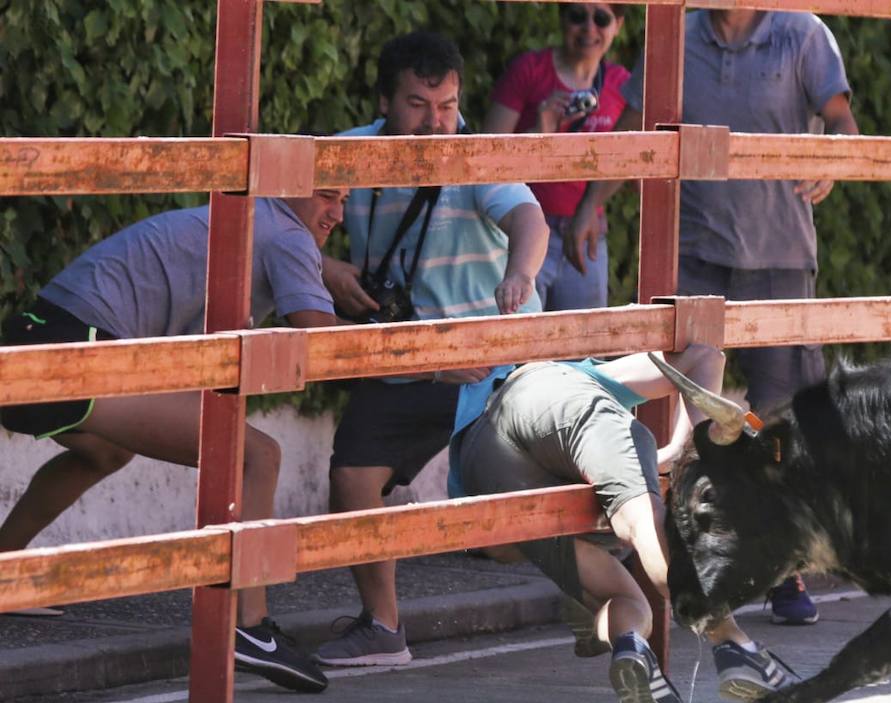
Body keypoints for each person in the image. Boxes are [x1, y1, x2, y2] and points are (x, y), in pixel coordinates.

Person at [565, 9, 860, 625]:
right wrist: (593, 203)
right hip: (695, 254)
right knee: (686, 411)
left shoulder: (802, 34)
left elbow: (840, 117)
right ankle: (683, 562)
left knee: (780, 418)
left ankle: (785, 564)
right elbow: (638, 122)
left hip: (779, 253)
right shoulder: (675, 31)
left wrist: (836, 150)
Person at [0, 188, 350, 693]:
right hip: (79, 354)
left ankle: (5, 562)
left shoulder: (244, 221)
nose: (337, 213)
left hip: (38, 341)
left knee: (106, 452)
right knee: (258, 456)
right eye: (326, 197)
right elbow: (322, 342)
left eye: (345, 199)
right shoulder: (285, 235)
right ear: (287, 186)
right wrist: (421, 358)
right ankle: (249, 628)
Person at [313, 31, 549, 667]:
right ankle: (383, 628)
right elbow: (278, 223)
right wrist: (324, 264)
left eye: (447, 105)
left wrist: (520, 274)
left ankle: (613, 557)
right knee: (351, 479)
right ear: (385, 101)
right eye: (417, 104)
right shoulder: (343, 155)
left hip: (491, 361)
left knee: (502, 531)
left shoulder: (475, 154)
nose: (435, 122)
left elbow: (529, 220)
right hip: (406, 358)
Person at [449, 344, 799, 703]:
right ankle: (734, 645)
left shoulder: (479, 407)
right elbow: (706, 357)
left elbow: (496, 548)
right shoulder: (578, 373)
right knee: (642, 520)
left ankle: (631, 646)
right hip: (551, 394)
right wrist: (689, 447)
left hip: (480, 461)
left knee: (627, 601)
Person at [484, 3, 631, 311]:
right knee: (522, 343)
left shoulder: (621, 84)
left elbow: (631, 161)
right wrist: (540, 130)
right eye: (578, 16)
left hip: (587, 228)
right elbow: (486, 160)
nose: (589, 29)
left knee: (582, 347)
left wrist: (592, 207)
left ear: (617, 25)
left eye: (601, 19)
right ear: (562, 19)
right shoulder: (529, 71)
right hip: (523, 226)